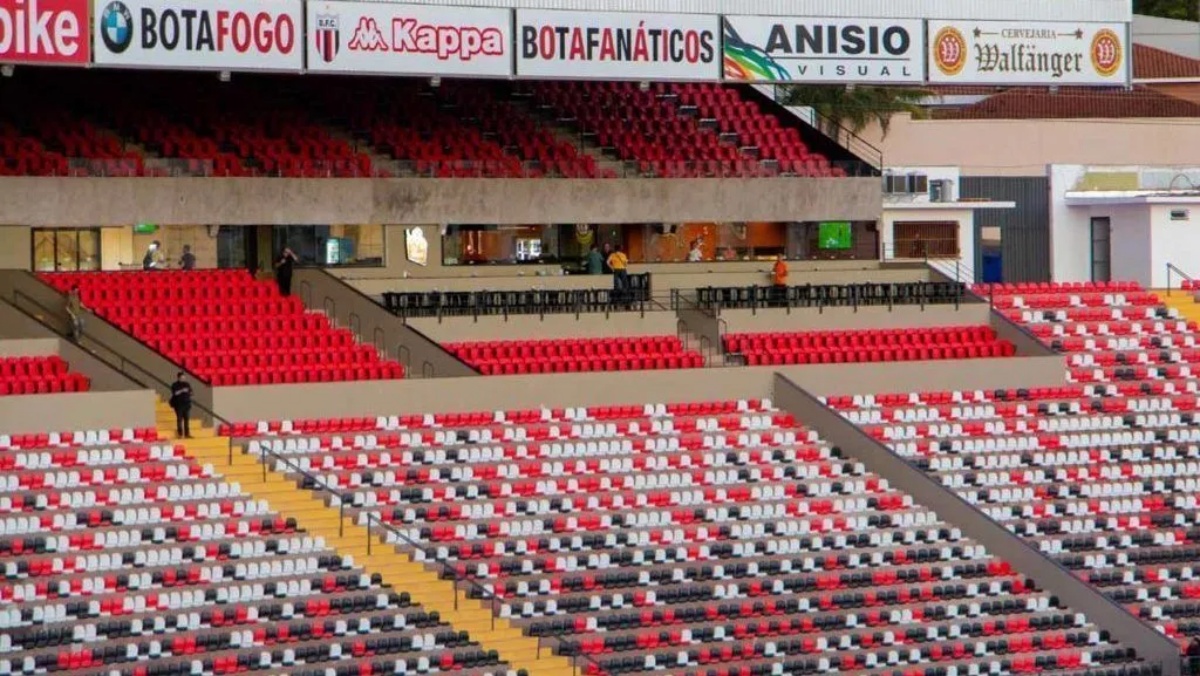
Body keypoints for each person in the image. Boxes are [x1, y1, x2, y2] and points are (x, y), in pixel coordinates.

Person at [169, 372, 193, 439]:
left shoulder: (187, 384)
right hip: (178, 404)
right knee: (179, 419)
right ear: (179, 378)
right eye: (182, 378)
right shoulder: (175, 385)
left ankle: (187, 434)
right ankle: (180, 434)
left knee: (186, 419)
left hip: (186, 404)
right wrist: (182, 390)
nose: (183, 379)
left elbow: (191, 392)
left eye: (184, 377)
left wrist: (189, 392)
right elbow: (175, 393)